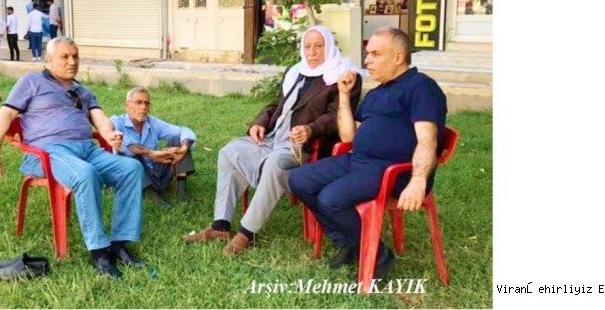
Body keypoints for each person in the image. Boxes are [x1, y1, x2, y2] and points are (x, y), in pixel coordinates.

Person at [183, 25, 362, 257]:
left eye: (319, 46)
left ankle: (247, 233)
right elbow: (277, 104)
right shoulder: (296, 71)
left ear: (329, 47)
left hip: (304, 145)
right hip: (273, 137)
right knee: (229, 151)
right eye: (307, 46)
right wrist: (259, 123)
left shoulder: (344, 75)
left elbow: (336, 116)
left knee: (276, 163)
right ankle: (221, 225)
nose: (312, 52)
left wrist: (310, 129)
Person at [288, 27, 447, 280]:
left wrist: (418, 180)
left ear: (398, 57)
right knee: (299, 179)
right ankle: (349, 242)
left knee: (331, 198)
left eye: (375, 54)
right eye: (367, 54)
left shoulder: (421, 88)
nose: (367, 61)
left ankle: (379, 257)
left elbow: (427, 141)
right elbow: (348, 136)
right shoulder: (376, 93)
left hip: (392, 170)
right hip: (359, 162)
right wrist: (343, 95)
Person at [0, 37, 145, 279]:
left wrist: (110, 134)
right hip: (48, 152)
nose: (72, 61)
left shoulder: (83, 91)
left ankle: (119, 243)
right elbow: (5, 114)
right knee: (85, 174)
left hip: (86, 150)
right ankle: (99, 252)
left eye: (75, 56)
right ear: (49, 60)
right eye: (65, 57)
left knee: (132, 168)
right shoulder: (31, 81)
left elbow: (100, 119)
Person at [110, 87, 197, 209]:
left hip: (155, 172)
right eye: (139, 102)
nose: (143, 107)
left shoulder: (152, 122)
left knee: (179, 140)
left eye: (147, 103)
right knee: (132, 156)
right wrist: (151, 154)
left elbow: (184, 130)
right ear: (127, 105)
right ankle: (151, 196)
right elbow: (125, 145)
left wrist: (183, 148)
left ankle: (181, 191)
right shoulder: (116, 122)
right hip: (131, 179)